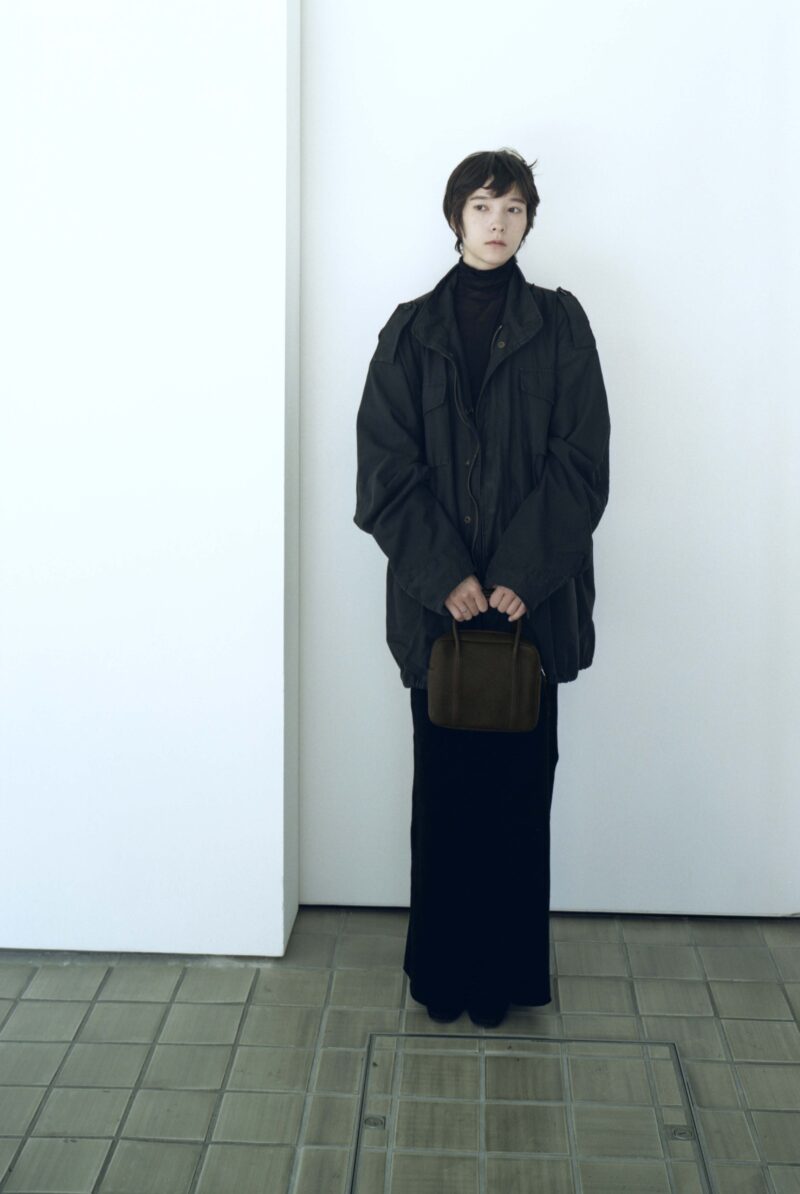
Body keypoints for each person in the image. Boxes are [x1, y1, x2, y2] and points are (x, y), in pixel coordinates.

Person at [353, 147, 610, 1028]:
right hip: (441, 617)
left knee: (518, 800)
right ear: (455, 217)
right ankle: (444, 977)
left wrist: (516, 577)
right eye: (481, 206)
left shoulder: (560, 325)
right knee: (445, 797)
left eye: (512, 208)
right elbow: (383, 473)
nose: (497, 223)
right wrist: (448, 577)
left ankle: (503, 980)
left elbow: (581, 464)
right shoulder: (409, 332)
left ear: (529, 220)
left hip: (530, 611)